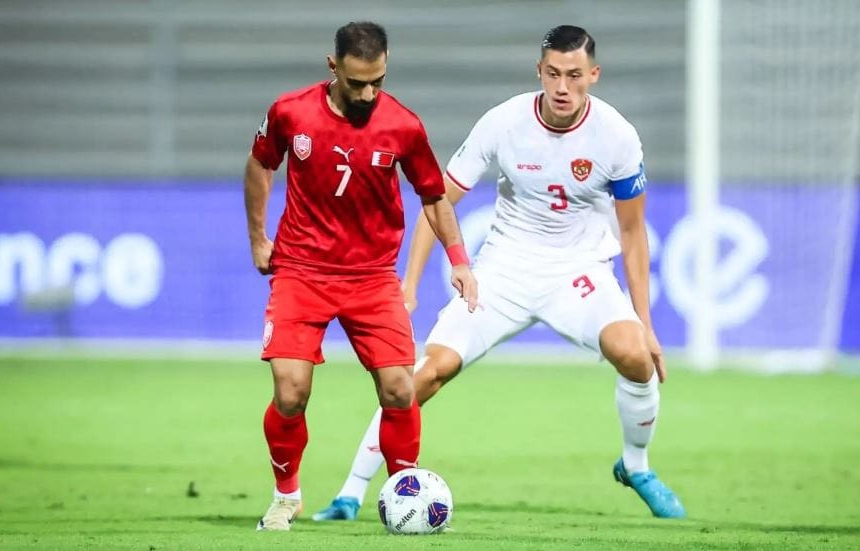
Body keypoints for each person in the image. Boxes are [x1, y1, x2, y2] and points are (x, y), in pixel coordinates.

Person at [312, 24, 685, 521]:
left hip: (577, 272)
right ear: (539, 71)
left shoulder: (616, 136)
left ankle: (636, 467)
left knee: (636, 356)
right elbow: (437, 200)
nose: (562, 86)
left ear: (594, 75)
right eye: (553, 73)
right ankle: (350, 493)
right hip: (504, 270)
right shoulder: (504, 122)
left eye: (574, 75)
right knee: (424, 374)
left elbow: (633, 233)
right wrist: (410, 283)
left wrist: (646, 323)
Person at [244, 21, 479, 532]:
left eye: (379, 81)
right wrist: (259, 237)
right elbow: (260, 165)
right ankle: (286, 497)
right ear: (333, 67)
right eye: (357, 83)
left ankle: (405, 494)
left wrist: (459, 259)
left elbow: (433, 196)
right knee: (290, 391)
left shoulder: (403, 125)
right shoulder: (290, 112)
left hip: (372, 276)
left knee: (400, 390)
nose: (369, 94)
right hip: (302, 270)